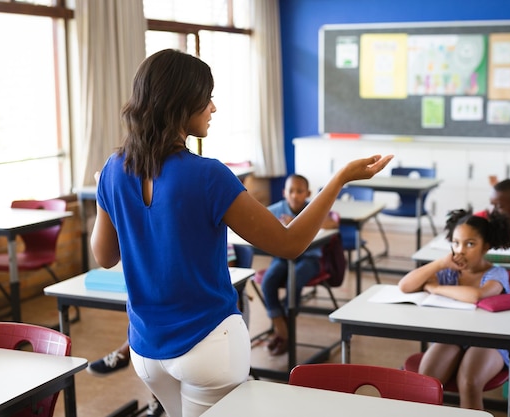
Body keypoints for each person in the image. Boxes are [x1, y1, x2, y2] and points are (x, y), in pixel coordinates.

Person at [90, 48, 393, 416]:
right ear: (182, 103)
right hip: (207, 344)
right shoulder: (207, 175)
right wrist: (340, 179)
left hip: (146, 350)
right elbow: (290, 243)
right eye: (207, 98)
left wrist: (106, 197)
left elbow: (104, 256)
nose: (213, 108)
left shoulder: (112, 169)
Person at [85, 244, 242, 416]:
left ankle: (124, 355)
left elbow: (230, 271)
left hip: (193, 320)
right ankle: (151, 394)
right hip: (167, 327)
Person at [397, 209, 510, 410]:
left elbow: (476, 295)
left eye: (470, 244)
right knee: (427, 381)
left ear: (486, 246)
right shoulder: (449, 271)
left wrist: (435, 288)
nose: (460, 250)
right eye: (456, 243)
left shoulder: (497, 273)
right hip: (452, 336)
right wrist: (440, 263)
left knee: (469, 383)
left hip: (489, 341)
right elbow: (405, 286)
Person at [261, 174, 339, 356]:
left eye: (299, 191)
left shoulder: (314, 208)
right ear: (284, 193)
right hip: (282, 257)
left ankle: (284, 332)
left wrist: (295, 224)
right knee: (268, 281)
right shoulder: (277, 209)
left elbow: (333, 222)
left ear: (308, 193)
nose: (294, 195)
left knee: (293, 283)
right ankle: (281, 327)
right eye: (290, 191)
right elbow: (260, 222)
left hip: (310, 259)